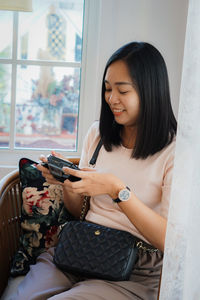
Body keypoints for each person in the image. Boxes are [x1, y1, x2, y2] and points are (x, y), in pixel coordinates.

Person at [12, 41, 177, 300]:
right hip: (79, 249)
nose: (112, 99)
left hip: (133, 268)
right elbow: (80, 211)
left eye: (123, 91)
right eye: (108, 88)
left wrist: (117, 190)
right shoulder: (98, 134)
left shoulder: (174, 152)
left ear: (151, 91)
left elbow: (168, 240)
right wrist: (69, 182)